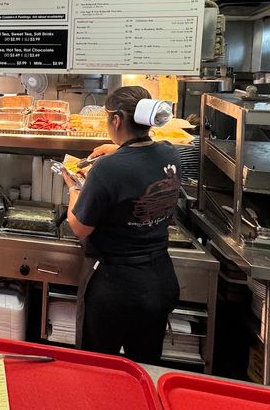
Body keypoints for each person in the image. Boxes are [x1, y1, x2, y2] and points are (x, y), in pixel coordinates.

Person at [62, 86, 180, 363]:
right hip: (159, 280)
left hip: (116, 287)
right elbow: (142, 159)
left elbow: (79, 227)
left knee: (100, 369)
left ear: (116, 120)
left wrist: (73, 188)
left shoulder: (106, 170)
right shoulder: (170, 154)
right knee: (146, 365)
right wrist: (117, 150)